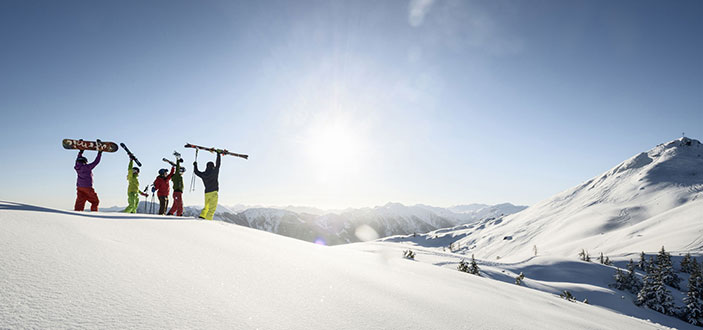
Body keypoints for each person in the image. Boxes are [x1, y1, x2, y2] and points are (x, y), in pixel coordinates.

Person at [193, 151, 222, 220]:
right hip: (214, 193)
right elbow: (218, 164)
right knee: (212, 209)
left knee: (206, 207)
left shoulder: (204, 174)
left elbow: (196, 172)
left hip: (207, 193)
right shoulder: (215, 172)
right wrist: (218, 155)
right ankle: (208, 222)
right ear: (212, 166)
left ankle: (202, 216)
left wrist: (195, 165)